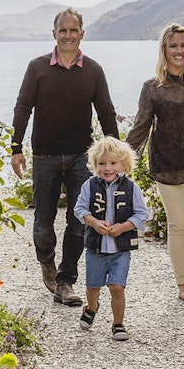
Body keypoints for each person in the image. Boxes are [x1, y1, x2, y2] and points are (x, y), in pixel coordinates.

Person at [11, 7, 119, 307]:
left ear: (82, 33)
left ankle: (65, 280)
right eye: (63, 30)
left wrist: (117, 156)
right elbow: (23, 108)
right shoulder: (37, 68)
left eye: (74, 30)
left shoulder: (94, 71)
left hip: (80, 158)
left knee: (79, 220)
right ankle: (48, 265)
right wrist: (16, 147)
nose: (68, 35)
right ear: (54, 33)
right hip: (45, 155)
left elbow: (107, 113)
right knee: (43, 221)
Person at [125, 23, 184, 303]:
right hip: (165, 165)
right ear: (164, 50)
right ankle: (183, 282)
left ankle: (178, 262)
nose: (179, 51)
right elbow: (141, 126)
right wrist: (121, 156)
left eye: (183, 45)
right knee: (178, 225)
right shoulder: (152, 87)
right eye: (173, 46)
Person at [73, 136, 149, 341]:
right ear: (94, 165)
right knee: (93, 286)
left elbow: (142, 214)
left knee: (117, 287)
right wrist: (94, 222)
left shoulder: (131, 188)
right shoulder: (90, 186)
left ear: (124, 164)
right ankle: (91, 307)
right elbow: (79, 209)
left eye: (113, 163)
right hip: (95, 248)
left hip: (120, 249)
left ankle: (118, 324)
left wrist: (124, 227)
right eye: (102, 163)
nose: (107, 168)